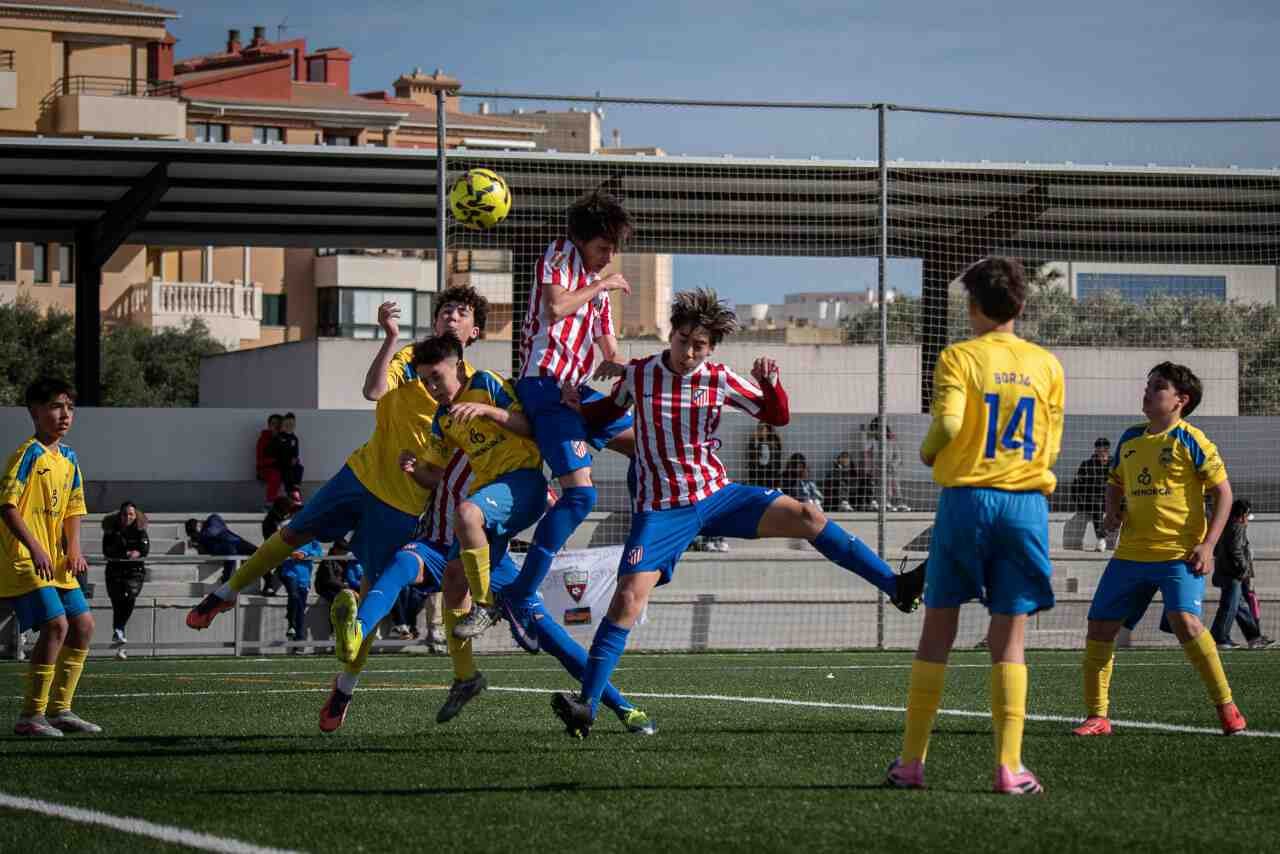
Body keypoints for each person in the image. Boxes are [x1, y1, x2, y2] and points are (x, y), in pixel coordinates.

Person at [550, 289, 924, 738]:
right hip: (661, 510)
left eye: (699, 345)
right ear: (671, 335)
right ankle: (586, 706)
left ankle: (896, 586)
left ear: (711, 350)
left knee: (808, 516)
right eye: (683, 339)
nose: (689, 351)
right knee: (628, 598)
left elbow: (777, 416)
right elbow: (608, 412)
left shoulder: (720, 378)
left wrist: (771, 383)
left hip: (716, 495)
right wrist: (578, 405)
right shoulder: (640, 374)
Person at [321, 332, 654, 735]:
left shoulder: (489, 389)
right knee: (400, 566)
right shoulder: (441, 423)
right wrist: (415, 469)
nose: (430, 388)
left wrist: (493, 419)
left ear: (461, 362)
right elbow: (430, 473)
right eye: (423, 381)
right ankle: (358, 644)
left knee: (544, 629)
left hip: (484, 537)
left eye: (436, 379)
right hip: (444, 543)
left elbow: (531, 428)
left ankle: (623, 706)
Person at [186, 285, 490, 633]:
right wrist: (389, 338)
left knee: (372, 588)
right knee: (294, 534)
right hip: (361, 474)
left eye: (461, 312)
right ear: (435, 323)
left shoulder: (476, 386)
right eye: (445, 310)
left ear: (475, 331)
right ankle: (227, 591)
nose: (451, 315)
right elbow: (374, 391)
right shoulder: (411, 359)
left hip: (405, 502)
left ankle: (347, 682)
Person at [884, 257, 1065, 796]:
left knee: (937, 629)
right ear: (1022, 305)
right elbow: (1052, 443)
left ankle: (912, 763)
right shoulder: (1047, 365)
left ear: (971, 307)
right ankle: (1010, 768)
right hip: (1026, 504)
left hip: (967, 502)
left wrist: (928, 451)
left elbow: (949, 424)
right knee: (1010, 639)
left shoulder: (959, 356)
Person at [1073, 361, 1247, 738]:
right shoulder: (1130, 438)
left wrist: (1208, 545)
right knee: (1099, 627)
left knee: (1185, 622)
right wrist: (1111, 513)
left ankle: (1226, 704)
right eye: (1148, 385)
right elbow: (1116, 481)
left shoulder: (1193, 440)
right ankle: (1097, 716)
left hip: (1178, 556)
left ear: (1180, 400)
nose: (1147, 392)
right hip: (1130, 556)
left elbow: (1224, 494)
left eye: (1157, 387)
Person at [498, 190, 638, 652]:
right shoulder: (559, 256)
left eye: (614, 248)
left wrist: (623, 368)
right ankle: (521, 591)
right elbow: (555, 307)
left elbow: (610, 349)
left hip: (576, 391)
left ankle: (649, 541)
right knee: (581, 495)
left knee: (650, 448)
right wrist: (601, 286)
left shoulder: (596, 284)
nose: (609, 257)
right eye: (603, 247)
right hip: (544, 386)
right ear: (582, 240)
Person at [0, 378, 100, 736]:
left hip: (55, 562)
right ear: (35, 412)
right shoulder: (28, 454)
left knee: (84, 625)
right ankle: (30, 715)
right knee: (56, 625)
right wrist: (36, 548)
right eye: (57, 406)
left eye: (70, 408)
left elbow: (74, 508)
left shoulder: (69, 458)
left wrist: (73, 548)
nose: (65, 414)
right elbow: (7, 508)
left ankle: (61, 710)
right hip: (24, 560)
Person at [1210, 499, 1274, 650]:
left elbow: (1218, 550)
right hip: (1233, 575)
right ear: (1243, 514)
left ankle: (1254, 637)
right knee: (1229, 607)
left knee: (1240, 607)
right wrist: (1244, 569)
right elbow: (1236, 551)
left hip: (1226, 573)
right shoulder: (1237, 527)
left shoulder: (1225, 526)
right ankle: (1219, 637)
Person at [101, 501, 150, 660]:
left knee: (129, 598)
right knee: (117, 603)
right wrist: (122, 551)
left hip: (134, 572)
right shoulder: (111, 531)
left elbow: (145, 549)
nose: (127, 517)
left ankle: (119, 629)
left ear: (135, 516)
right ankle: (120, 641)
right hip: (115, 571)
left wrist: (136, 553)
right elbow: (106, 550)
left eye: (130, 514)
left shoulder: (140, 531)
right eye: (124, 514)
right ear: (119, 515)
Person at [185, 514, 257, 583]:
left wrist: (200, 537)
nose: (195, 534)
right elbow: (204, 552)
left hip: (237, 542)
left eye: (195, 531)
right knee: (230, 550)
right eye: (193, 534)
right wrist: (197, 545)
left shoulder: (212, 520)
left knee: (258, 552)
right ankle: (226, 578)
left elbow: (213, 531)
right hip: (231, 549)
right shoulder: (203, 541)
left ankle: (268, 583)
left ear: (198, 524)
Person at [278, 537, 323, 650]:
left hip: (304, 577)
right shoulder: (289, 531)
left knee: (300, 609)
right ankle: (291, 624)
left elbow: (319, 552)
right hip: (289, 572)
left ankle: (298, 642)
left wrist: (304, 553)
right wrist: (291, 553)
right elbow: (278, 548)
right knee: (294, 595)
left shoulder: (312, 537)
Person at [258, 490, 303, 596]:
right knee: (263, 559)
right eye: (287, 509)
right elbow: (272, 541)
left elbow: (298, 509)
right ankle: (268, 584)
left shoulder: (287, 515)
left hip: (290, 548)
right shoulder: (269, 522)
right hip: (274, 548)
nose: (289, 512)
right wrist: (290, 553)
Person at [864, 416, 910, 512]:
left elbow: (898, 457)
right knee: (879, 485)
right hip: (877, 469)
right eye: (875, 429)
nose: (877, 432)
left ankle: (898, 503)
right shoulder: (872, 442)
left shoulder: (891, 442)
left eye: (878, 429)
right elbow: (866, 453)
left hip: (891, 469)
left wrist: (892, 465)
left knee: (893, 484)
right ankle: (883, 502)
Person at [1074, 438, 1111, 552]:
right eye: (1099, 448)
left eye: (1105, 448)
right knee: (1097, 505)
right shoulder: (1087, 464)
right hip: (1095, 498)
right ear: (1095, 450)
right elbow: (1077, 484)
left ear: (1108, 450)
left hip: (1113, 496)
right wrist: (1079, 501)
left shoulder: (1114, 463)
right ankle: (1101, 539)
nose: (1102, 451)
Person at [269, 413, 304, 494]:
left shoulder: (294, 438)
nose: (289, 426)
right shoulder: (279, 436)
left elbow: (296, 452)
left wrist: (295, 458)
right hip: (281, 463)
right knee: (288, 473)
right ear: (283, 424)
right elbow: (273, 451)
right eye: (287, 424)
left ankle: (296, 487)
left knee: (299, 468)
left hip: (291, 463)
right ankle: (291, 493)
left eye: (292, 424)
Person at [746, 422, 783, 489]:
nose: (759, 431)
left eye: (761, 429)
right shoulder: (755, 442)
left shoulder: (774, 443)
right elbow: (752, 458)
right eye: (758, 429)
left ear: (768, 430)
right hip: (758, 475)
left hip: (770, 476)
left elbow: (777, 462)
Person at [256, 413, 283, 504]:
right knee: (276, 474)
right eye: (273, 424)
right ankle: (270, 503)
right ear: (269, 425)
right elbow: (260, 460)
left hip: (282, 467)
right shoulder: (263, 439)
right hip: (266, 468)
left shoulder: (286, 438)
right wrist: (274, 461)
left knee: (297, 470)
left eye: (278, 424)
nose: (275, 426)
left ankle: (294, 502)